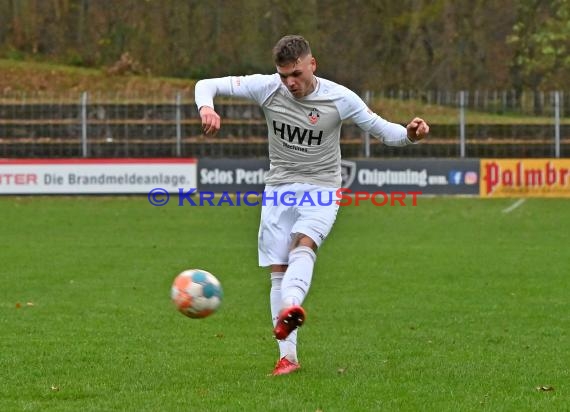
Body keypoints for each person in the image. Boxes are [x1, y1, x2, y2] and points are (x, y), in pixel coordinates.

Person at [195, 35, 429, 376]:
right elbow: (206, 84)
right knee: (278, 272)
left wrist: (410, 134)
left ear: (311, 64)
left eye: (296, 74)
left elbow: (382, 131)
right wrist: (206, 107)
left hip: (321, 188)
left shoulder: (339, 97)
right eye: (284, 75)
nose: (290, 83)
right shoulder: (268, 87)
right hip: (278, 190)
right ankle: (287, 357)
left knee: (303, 244)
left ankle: (291, 308)